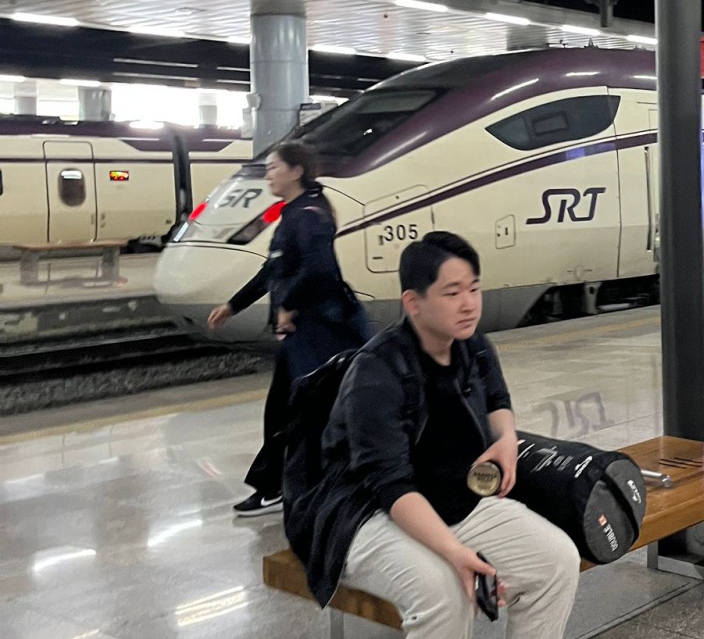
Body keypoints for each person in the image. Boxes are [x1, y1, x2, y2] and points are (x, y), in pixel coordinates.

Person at [287, 231, 580, 638]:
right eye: (452, 292)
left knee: (557, 561)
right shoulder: (378, 371)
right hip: (365, 512)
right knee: (444, 592)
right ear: (413, 303)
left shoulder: (472, 345)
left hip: (449, 494)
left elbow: (498, 398)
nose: (469, 304)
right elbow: (389, 484)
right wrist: (455, 553)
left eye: (475, 289)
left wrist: (507, 439)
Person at [208, 141, 369, 517]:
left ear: (296, 171)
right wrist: (233, 305)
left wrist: (289, 304)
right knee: (297, 410)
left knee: (294, 411)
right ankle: (289, 483)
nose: (268, 174)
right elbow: (273, 270)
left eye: (273, 167)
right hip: (309, 333)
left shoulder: (308, 215)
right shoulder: (296, 213)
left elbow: (321, 270)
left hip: (319, 331)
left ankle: (281, 486)